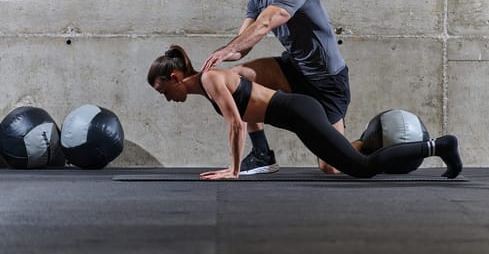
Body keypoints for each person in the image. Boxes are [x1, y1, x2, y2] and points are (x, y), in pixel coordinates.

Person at [148, 45, 463, 180]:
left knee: (362, 168)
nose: (166, 99)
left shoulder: (209, 78)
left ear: (174, 78)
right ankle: (438, 147)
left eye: (163, 91)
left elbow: (236, 125)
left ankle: (440, 146)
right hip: (299, 116)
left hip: (300, 112)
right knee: (352, 166)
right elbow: (248, 114)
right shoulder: (208, 85)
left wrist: (232, 170)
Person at [201, 0, 350, 175]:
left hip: (327, 81)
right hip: (293, 69)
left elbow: (265, 23)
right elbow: (243, 45)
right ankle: (262, 154)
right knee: (237, 77)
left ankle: (369, 144)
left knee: (331, 166)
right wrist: (210, 66)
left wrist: (227, 50)